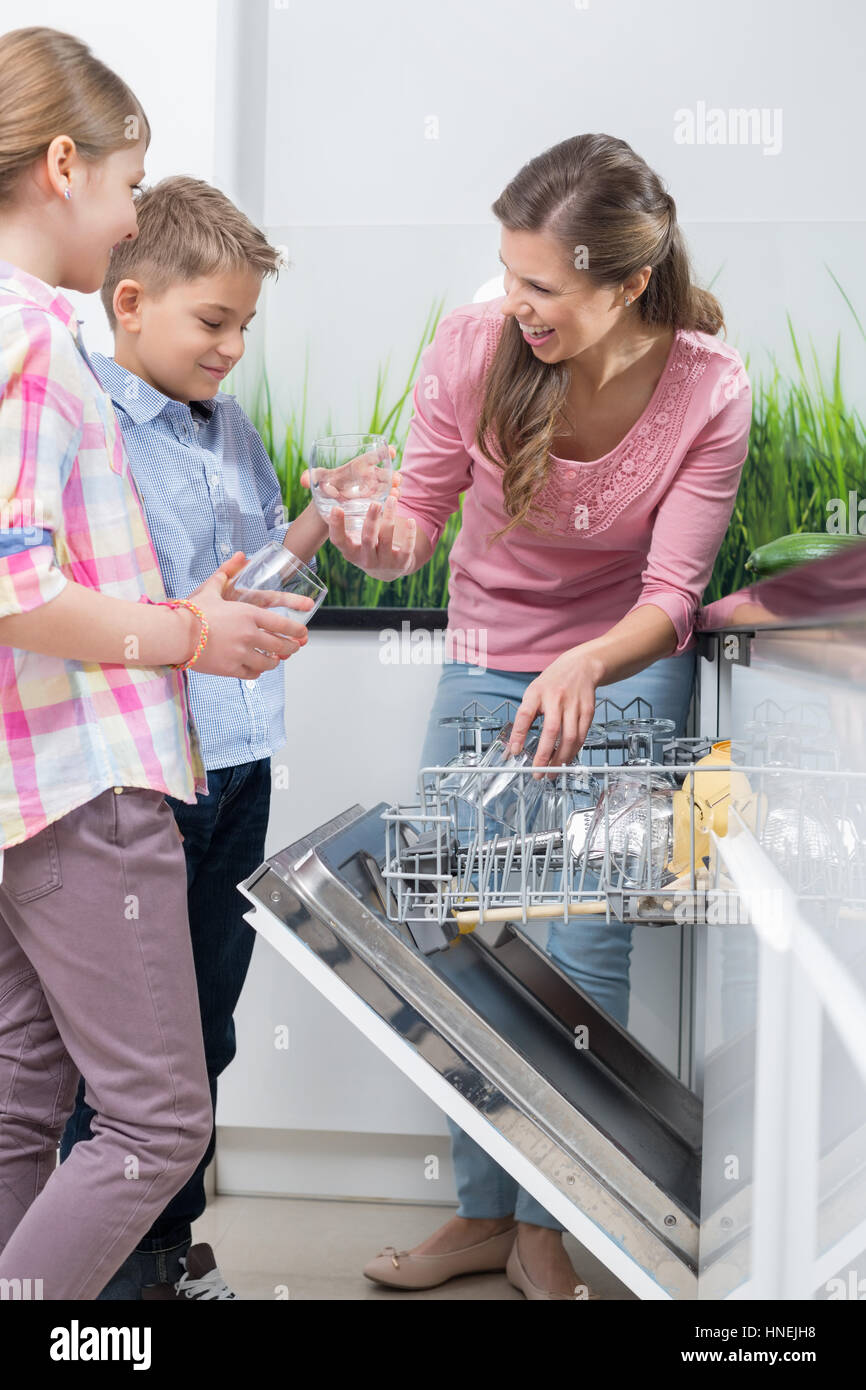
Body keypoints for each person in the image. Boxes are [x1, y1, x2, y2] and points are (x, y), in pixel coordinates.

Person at [325, 133, 753, 1299]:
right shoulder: (471, 349)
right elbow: (414, 520)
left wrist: (585, 661)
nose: (514, 304)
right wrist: (375, 541)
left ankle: (551, 1222)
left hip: (617, 666)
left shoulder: (708, 388)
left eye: (543, 288)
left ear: (625, 284)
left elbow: (670, 598)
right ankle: (481, 1214)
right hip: (483, 657)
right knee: (452, 925)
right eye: (507, 274)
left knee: (581, 941)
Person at [0, 27, 307, 1300]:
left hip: (35, 786)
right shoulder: (31, 340)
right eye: (130, 186)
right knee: (157, 1123)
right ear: (64, 165)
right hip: (90, 783)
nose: (130, 217)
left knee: (24, 1102)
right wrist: (187, 635)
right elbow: (12, 584)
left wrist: (182, 608)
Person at [57, 175, 338, 1300]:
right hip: (140, 773)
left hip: (239, 764)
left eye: (243, 328)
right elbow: (85, 606)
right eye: (211, 322)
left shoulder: (233, 432)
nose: (230, 348)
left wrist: (326, 518)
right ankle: (107, 1277)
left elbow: (256, 576)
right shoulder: (86, 425)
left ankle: (167, 1255)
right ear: (130, 302)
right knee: (130, 1052)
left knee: (206, 1028)